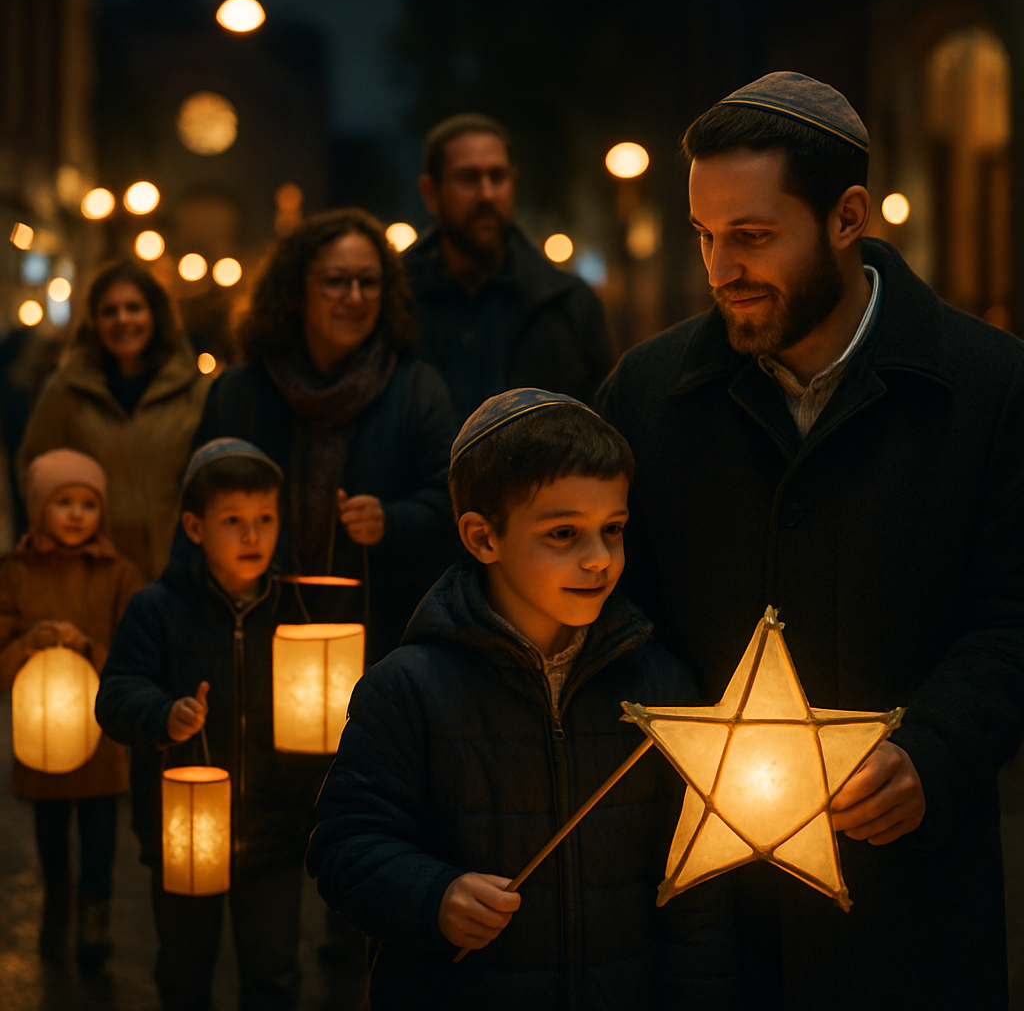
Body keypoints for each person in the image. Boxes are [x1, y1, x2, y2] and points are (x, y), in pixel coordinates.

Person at [598, 71, 1024, 1010]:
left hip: (905, 907)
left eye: (752, 237)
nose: (719, 271)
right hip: (707, 918)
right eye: (705, 237)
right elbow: (611, 611)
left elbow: (1013, 616)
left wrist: (936, 753)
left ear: (848, 217)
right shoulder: (648, 391)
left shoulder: (990, 389)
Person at [306, 389, 736, 1010]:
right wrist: (434, 896)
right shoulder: (408, 689)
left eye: (611, 530)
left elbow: (698, 899)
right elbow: (344, 846)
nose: (599, 560)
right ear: (483, 538)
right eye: (563, 533)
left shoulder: (660, 688)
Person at [95, 439, 330, 1011]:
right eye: (233, 521)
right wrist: (163, 714)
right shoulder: (157, 608)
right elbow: (116, 694)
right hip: (183, 832)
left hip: (275, 827)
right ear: (195, 528)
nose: (253, 536)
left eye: (265, 519)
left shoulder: (296, 609)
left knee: (274, 970)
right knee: (183, 970)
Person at [193, 209, 458, 663]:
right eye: (336, 281)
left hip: (384, 643)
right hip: (256, 637)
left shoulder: (416, 389)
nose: (354, 298)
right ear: (296, 289)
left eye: (368, 282)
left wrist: (391, 520)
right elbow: (196, 509)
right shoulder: (242, 392)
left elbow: (456, 504)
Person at [0, 449, 143, 967]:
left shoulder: (117, 573)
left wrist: (90, 651)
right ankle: (57, 905)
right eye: (64, 502)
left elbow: (136, 654)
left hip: (99, 737)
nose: (78, 514)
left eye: (88, 503)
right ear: (39, 507)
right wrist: (29, 644)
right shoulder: (14, 573)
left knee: (101, 835)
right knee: (52, 835)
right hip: (41, 734)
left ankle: (94, 917)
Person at [404, 114, 613, 421]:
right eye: (468, 178)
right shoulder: (394, 300)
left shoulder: (568, 303)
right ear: (431, 193)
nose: (487, 194)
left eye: (497, 177)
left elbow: (605, 430)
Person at [17, 260, 212, 581]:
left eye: (134, 308)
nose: (123, 320)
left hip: (178, 573)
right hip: (93, 575)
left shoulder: (195, 391)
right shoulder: (66, 391)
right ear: (94, 322)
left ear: (155, 316)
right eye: (110, 311)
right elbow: (34, 472)